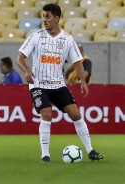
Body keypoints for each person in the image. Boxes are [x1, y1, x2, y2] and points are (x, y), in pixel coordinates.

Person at [16, 3, 104, 163]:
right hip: (38, 84)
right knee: (46, 113)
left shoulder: (67, 39)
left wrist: (83, 82)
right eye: (43, 16)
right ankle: (45, 155)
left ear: (57, 18)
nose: (45, 19)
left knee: (75, 114)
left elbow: (78, 61)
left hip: (58, 85)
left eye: (48, 16)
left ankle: (91, 150)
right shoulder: (36, 36)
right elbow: (20, 57)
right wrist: (27, 71)